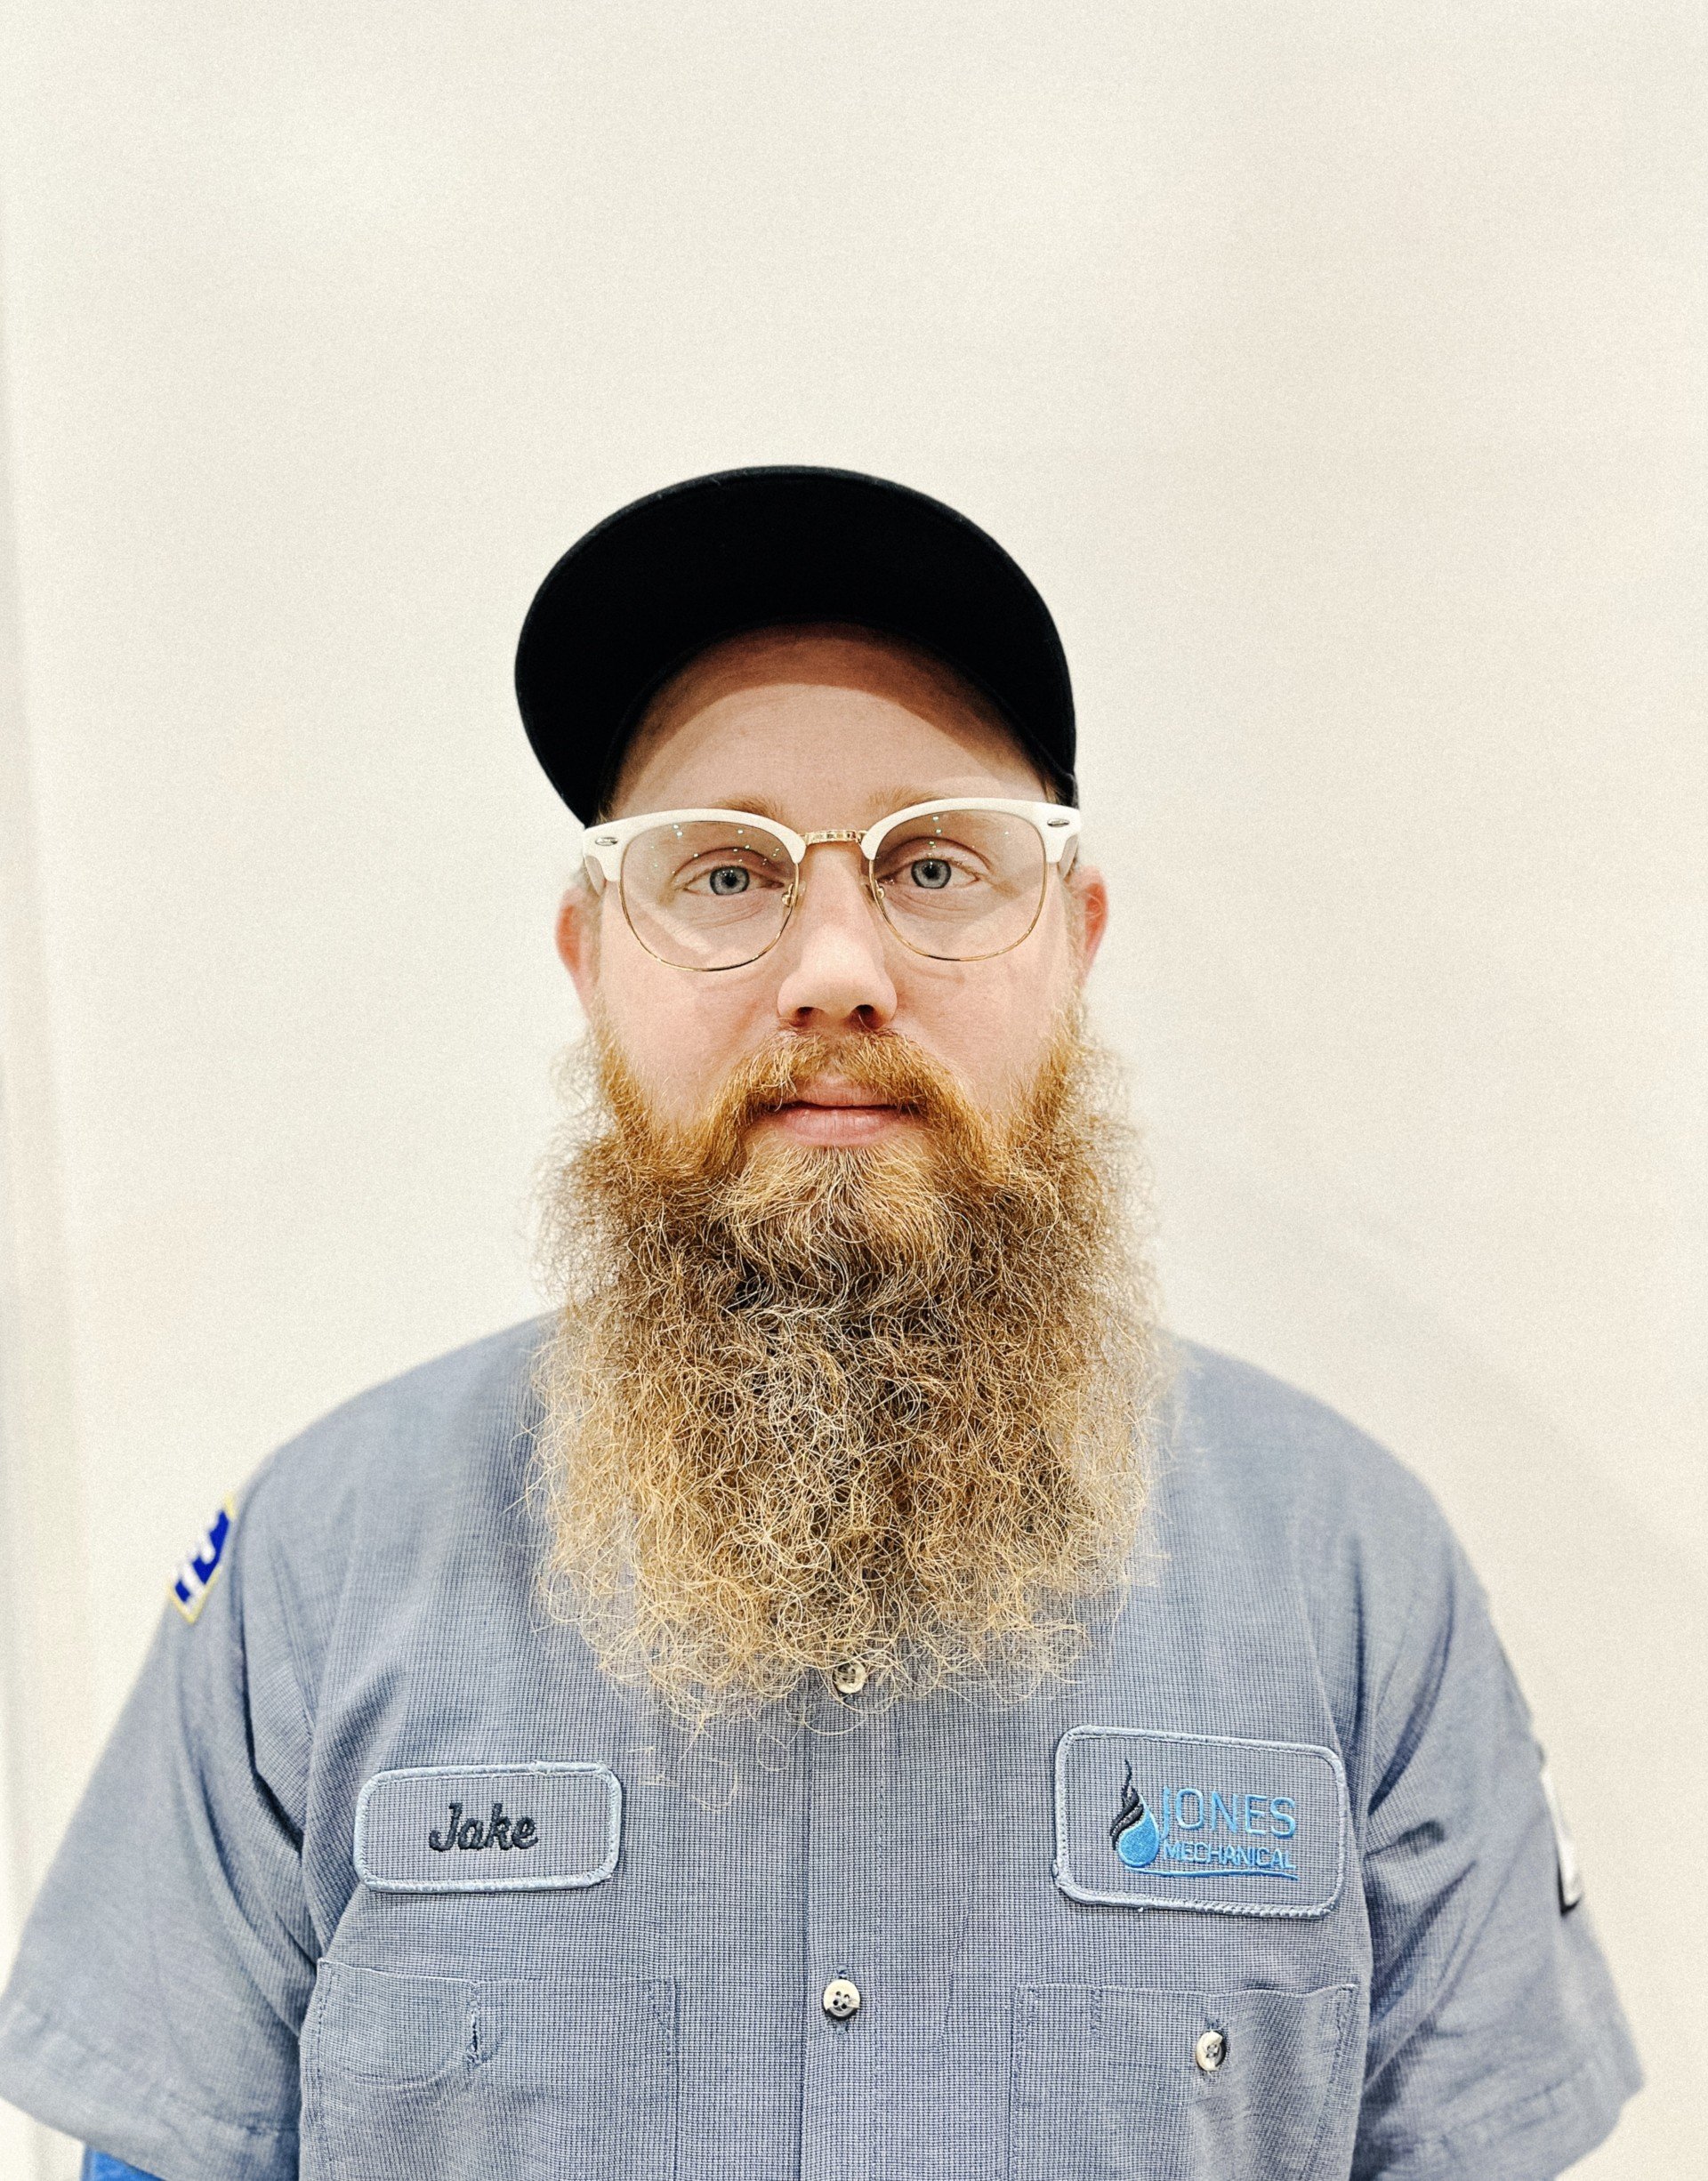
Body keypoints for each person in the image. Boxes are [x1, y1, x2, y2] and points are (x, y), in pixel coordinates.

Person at [0, 469, 1638, 2180]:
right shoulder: (315, 1573)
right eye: (723, 874)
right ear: (590, 957)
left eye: (935, 864)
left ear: (1073, 944)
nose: (837, 965)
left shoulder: (1351, 1578)